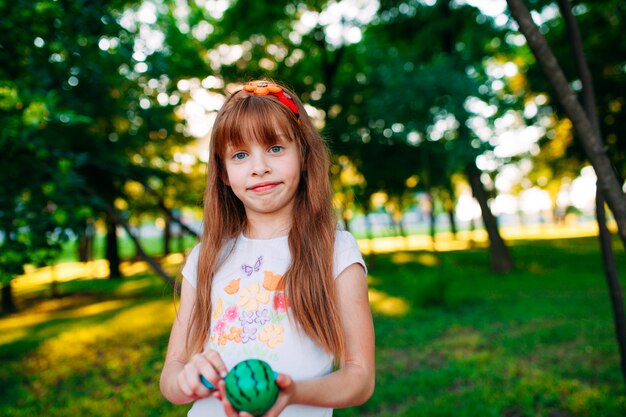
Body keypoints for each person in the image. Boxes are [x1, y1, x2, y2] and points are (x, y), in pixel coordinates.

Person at [160, 79, 375, 417]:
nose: (259, 167)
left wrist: (293, 393)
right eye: (240, 154)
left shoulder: (337, 251)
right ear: (224, 173)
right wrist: (187, 379)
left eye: (275, 148)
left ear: (303, 155)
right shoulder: (206, 257)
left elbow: (360, 377)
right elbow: (172, 376)